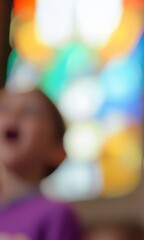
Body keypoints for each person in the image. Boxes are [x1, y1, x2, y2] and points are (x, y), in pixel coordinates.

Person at [0, 87, 82, 240]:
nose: (14, 114)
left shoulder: (56, 214)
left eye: (30, 111)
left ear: (57, 151)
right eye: (5, 108)